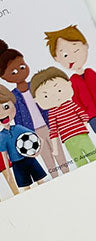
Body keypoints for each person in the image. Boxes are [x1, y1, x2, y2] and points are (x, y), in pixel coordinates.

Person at [44, 25, 96, 154]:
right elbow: (77, 102)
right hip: (92, 117)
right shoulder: (72, 81)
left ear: (85, 46)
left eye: (76, 51)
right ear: (57, 59)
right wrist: (84, 117)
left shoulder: (90, 73)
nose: (72, 58)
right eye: (65, 55)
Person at [0, 40, 68, 177]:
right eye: (13, 72)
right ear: (4, 77)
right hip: (32, 132)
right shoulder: (13, 97)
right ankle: (55, 177)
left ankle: (67, 172)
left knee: (59, 153)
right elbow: (17, 118)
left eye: (22, 66)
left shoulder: (36, 85)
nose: (20, 72)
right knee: (47, 158)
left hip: (49, 125)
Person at [30, 68, 96, 168]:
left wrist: (82, 127)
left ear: (69, 84)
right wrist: (55, 148)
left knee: (94, 156)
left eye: (59, 90)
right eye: (46, 96)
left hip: (82, 136)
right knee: (80, 163)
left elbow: (84, 116)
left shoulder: (71, 104)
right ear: (36, 100)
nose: (55, 97)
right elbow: (53, 131)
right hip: (68, 141)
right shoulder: (52, 113)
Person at [0, 85, 47, 191]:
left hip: (29, 159)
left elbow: (40, 138)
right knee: (26, 188)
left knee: (41, 182)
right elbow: (4, 155)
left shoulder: (19, 128)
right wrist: (8, 172)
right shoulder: (1, 136)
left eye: (6, 107)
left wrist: (37, 152)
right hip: (17, 165)